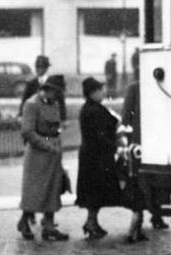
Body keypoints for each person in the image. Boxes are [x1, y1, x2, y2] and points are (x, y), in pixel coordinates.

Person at [17, 75, 69, 241]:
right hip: (37, 154)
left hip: (53, 153)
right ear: (48, 89)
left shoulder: (54, 104)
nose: (58, 95)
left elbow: (56, 125)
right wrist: (46, 144)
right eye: (56, 91)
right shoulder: (32, 104)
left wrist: (56, 140)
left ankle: (49, 226)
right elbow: (27, 131)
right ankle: (24, 221)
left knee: (53, 189)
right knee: (34, 190)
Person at [75, 77, 122, 239]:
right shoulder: (93, 110)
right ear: (92, 93)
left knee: (96, 193)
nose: (103, 92)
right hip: (95, 158)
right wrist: (114, 146)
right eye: (100, 90)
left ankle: (92, 222)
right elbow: (101, 133)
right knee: (95, 192)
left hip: (94, 156)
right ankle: (91, 223)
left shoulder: (92, 108)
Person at [122, 81, 169, 231]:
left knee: (141, 179)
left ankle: (143, 215)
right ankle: (155, 215)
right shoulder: (160, 84)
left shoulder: (135, 88)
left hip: (141, 140)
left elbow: (126, 116)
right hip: (155, 139)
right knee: (154, 178)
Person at [19, 55, 66, 122]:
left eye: (41, 67)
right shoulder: (31, 84)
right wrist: (21, 114)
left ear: (46, 68)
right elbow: (25, 100)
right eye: (37, 67)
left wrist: (63, 118)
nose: (38, 70)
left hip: (51, 117)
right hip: (35, 118)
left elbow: (61, 102)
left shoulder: (54, 83)